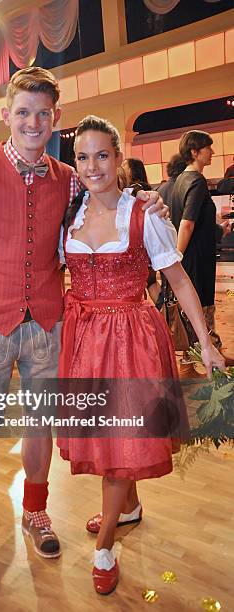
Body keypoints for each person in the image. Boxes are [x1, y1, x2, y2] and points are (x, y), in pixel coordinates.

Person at [0, 66, 166, 603]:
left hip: (49, 327)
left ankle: (36, 513)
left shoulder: (68, 177)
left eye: (42, 113)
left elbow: (112, 203)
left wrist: (152, 203)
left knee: (40, 430)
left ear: (55, 118)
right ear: (5, 115)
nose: (32, 122)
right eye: (23, 112)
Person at [57, 115, 225, 595]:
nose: (93, 166)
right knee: (109, 438)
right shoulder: (70, 215)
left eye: (102, 155)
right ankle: (127, 508)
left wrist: (206, 344)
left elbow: (179, 281)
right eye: (83, 157)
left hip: (131, 340)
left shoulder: (145, 214)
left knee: (116, 443)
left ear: (118, 158)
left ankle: (106, 543)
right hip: (84, 340)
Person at [171, 130, 233, 374]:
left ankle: (193, 356)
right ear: (195, 152)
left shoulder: (180, 182)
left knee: (192, 307)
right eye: (208, 148)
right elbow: (186, 223)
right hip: (196, 258)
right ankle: (213, 355)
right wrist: (177, 256)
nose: (213, 152)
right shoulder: (196, 181)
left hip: (190, 256)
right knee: (203, 306)